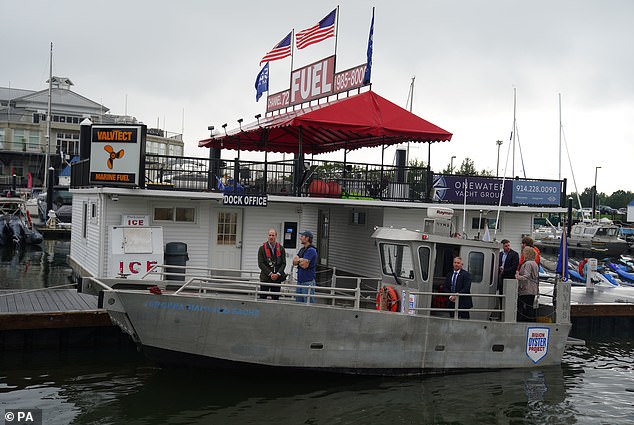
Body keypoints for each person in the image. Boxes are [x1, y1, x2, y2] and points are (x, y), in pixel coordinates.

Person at [257, 228, 286, 300]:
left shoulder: (281, 248)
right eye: (270, 235)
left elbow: (283, 263)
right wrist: (270, 274)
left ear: (276, 236)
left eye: (273, 235)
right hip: (265, 278)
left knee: (275, 299)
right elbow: (261, 264)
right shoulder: (262, 248)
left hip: (277, 279)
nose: (271, 237)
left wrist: (278, 274)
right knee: (262, 298)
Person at [292, 230, 317, 303]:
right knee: (299, 303)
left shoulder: (311, 250)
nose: (300, 238)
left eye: (302, 236)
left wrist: (299, 260)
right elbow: (294, 262)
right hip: (300, 281)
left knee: (308, 304)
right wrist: (301, 260)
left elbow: (305, 265)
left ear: (307, 238)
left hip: (307, 282)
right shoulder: (302, 249)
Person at [516, 246, 539, 322]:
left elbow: (526, 276)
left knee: (520, 304)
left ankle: (521, 320)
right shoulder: (534, 263)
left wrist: (517, 277)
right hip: (533, 289)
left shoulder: (528, 263)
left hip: (526, 289)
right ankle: (531, 321)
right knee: (530, 306)